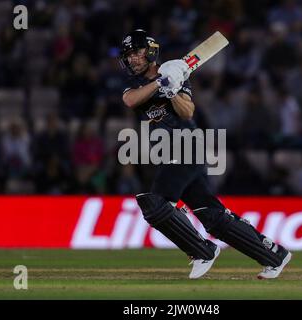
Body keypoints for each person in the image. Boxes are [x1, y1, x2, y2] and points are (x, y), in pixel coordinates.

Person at [119, 29, 292, 279]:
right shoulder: (135, 86)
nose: (132, 58)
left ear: (150, 50)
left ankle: (203, 251)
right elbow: (131, 101)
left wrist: (173, 91)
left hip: (187, 147)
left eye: (136, 52)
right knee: (210, 215)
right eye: (128, 55)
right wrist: (160, 82)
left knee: (153, 201)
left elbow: (187, 111)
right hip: (167, 154)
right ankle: (274, 255)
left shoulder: (177, 78)